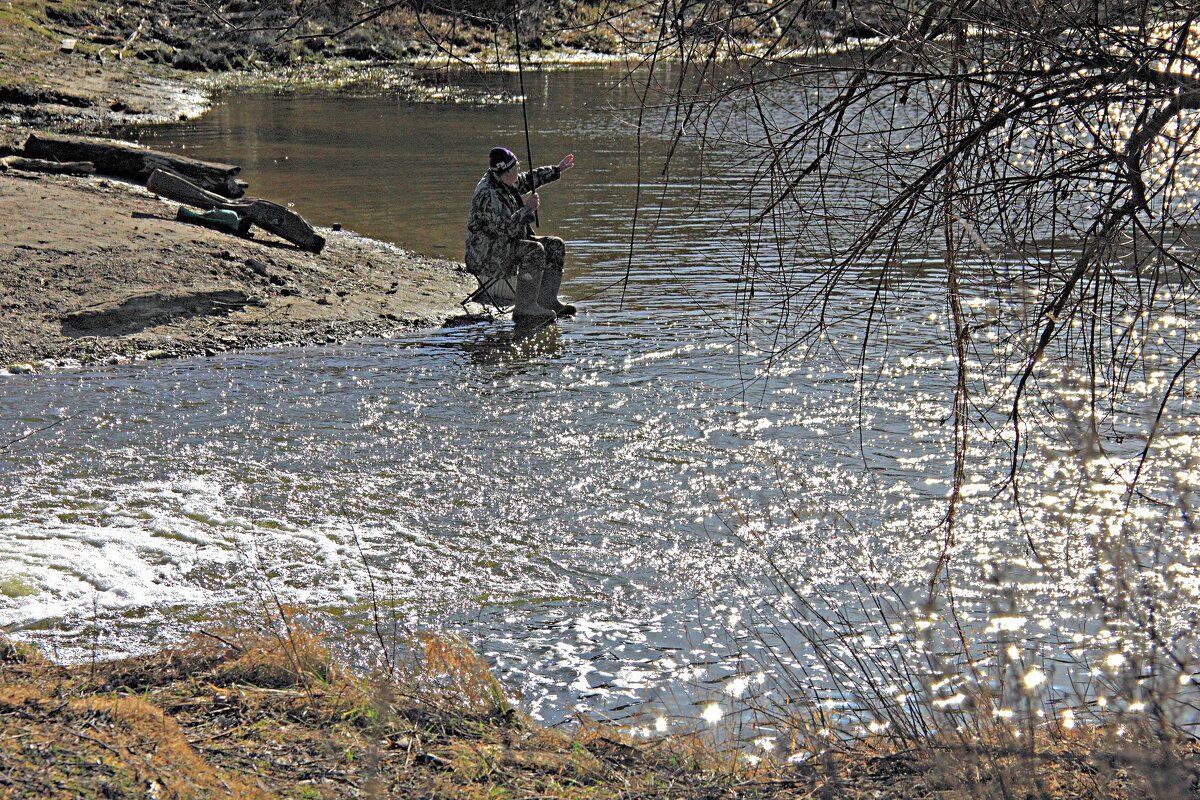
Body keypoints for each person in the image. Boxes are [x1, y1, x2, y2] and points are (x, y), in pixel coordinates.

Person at [466, 146, 577, 323]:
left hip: (504, 243)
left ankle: (547, 301)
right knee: (534, 250)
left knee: (555, 245)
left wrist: (556, 170)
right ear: (505, 171)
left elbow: (527, 180)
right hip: (486, 254)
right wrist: (527, 210)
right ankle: (525, 308)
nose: (518, 171)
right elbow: (504, 230)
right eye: (515, 168)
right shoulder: (487, 195)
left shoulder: (504, 180)